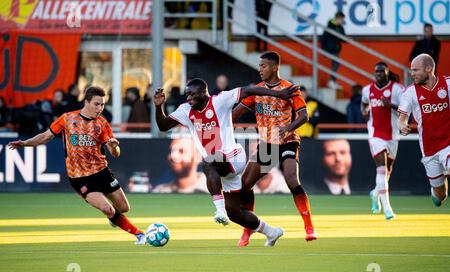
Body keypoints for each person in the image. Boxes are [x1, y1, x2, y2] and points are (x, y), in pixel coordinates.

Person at [153, 78, 299, 246]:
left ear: (203, 93)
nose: (189, 99)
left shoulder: (220, 100)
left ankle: (219, 210)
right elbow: (163, 126)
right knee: (235, 213)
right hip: (219, 168)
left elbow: (249, 89)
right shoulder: (185, 110)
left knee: (208, 161)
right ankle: (271, 232)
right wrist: (158, 106)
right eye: (187, 95)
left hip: (234, 156)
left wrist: (278, 94)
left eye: (192, 95)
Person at [7, 86, 146, 245]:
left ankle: (114, 218)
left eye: (102, 105)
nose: (99, 108)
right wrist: (25, 143)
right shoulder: (67, 119)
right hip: (79, 177)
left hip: (101, 171)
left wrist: (114, 147)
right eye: (96, 104)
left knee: (124, 208)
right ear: (86, 102)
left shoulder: (102, 123)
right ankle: (139, 234)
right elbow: (45, 137)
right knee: (107, 209)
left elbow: (115, 153)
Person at [232, 51, 317, 246]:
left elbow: (304, 116)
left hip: (288, 140)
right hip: (267, 144)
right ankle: (249, 228)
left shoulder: (291, 89)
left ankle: (309, 227)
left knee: (291, 178)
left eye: (263, 66)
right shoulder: (257, 91)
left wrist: (287, 128)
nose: (259, 69)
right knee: (245, 185)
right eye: (259, 66)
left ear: (274, 67)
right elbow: (235, 114)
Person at [398, 54, 449, 207]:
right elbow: (402, 118)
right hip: (429, 149)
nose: (412, 73)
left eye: (415, 70)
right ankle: (436, 192)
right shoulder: (410, 92)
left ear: (428, 68)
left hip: (448, 143)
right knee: (441, 195)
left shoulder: (447, 84)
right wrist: (402, 126)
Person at [361, 62, 404, 220]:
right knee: (381, 169)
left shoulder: (397, 89)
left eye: (381, 71)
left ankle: (375, 193)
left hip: (393, 134)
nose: (378, 73)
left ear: (387, 72)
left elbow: (406, 108)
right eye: (376, 71)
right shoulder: (367, 89)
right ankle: (387, 209)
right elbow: (364, 103)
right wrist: (364, 112)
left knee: (388, 171)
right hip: (375, 134)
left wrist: (391, 105)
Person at [320, 11, 346, 90]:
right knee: (336, 63)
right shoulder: (330, 26)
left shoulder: (340, 28)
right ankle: (331, 81)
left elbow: (343, 38)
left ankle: (332, 81)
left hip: (336, 49)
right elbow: (323, 38)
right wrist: (323, 49)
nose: (342, 21)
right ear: (338, 18)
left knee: (336, 64)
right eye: (341, 19)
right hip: (330, 49)